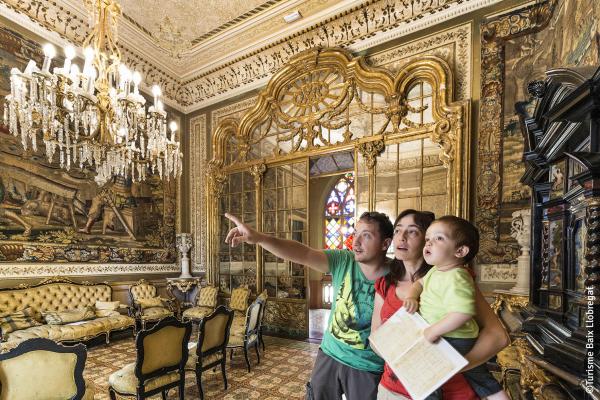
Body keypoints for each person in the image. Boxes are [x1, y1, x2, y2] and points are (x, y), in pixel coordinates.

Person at [225, 211, 394, 400]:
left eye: (367, 235)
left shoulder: (398, 277)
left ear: (385, 243)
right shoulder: (344, 260)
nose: (356, 241)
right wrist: (259, 238)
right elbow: (304, 253)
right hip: (330, 354)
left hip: (367, 365)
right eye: (356, 233)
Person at [371, 209, 510, 400]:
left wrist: (447, 367)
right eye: (397, 230)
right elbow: (376, 338)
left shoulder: (454, 276)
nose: (401, 237)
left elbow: (498, 337)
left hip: (451, 392)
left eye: (412, 231)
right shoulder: (385, 283)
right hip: (391, 389)